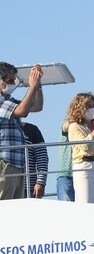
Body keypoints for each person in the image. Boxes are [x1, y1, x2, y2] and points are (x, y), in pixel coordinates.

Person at [0, 62, 43, 200]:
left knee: (15, 210)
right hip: (5, 163)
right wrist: (32, 86)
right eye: (9, 81)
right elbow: (22, 111)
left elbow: (37, 106)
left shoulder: (9, 100)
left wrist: (38, 85)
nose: (13, 83)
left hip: (17, 164)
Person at [21, 122, 48, 198]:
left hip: (29, 187)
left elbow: (42, 157)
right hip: (6, 185)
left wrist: (41, 182)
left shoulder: (32, 130)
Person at [56, 119, 75, 201]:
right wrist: (78, 115)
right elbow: (65, 127)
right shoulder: (66, 121)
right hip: (67, 174)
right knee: (66, 210)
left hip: (83, 172)